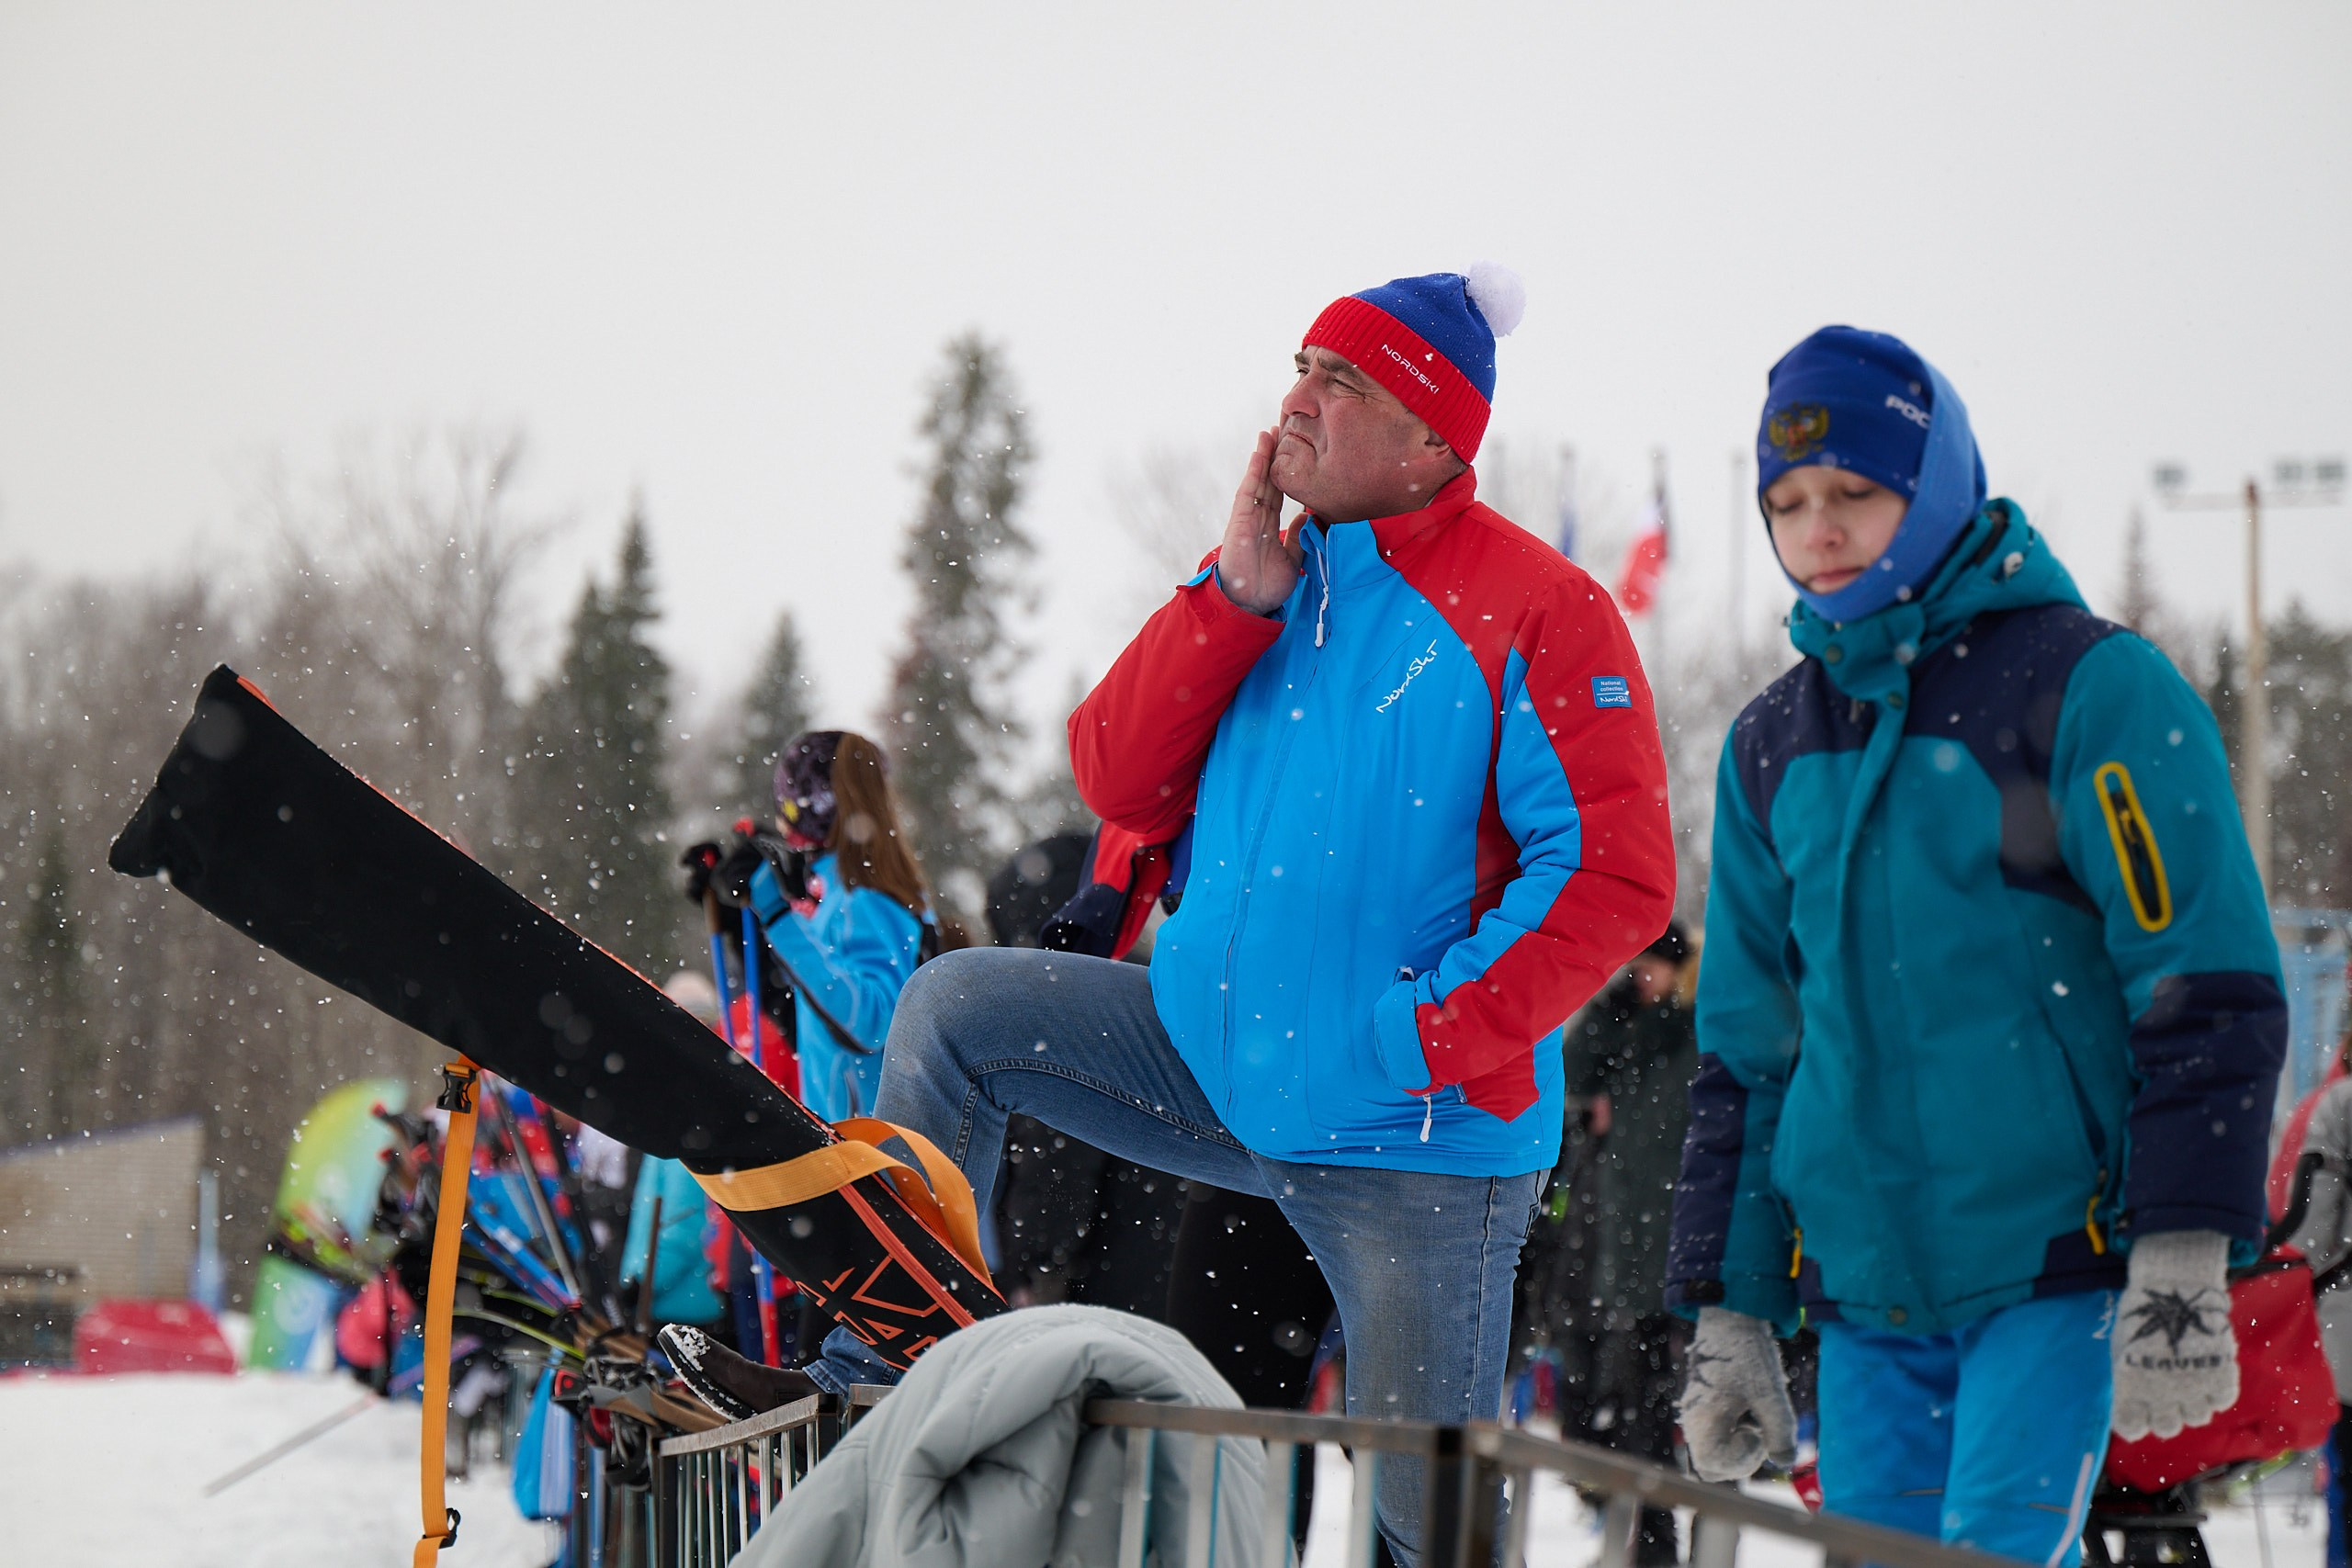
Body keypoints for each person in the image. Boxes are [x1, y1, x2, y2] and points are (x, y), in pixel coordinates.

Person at [801, 267, 1677, 1562]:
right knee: (957, 1011)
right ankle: (891, 1369)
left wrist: (1423, 1037)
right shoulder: (1266, 578)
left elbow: (1616, 870)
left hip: (1411, 1135)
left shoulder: (1543, 606)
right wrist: (1231, 601)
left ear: (1434, 437)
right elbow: (1110, 770)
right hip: (1212, 1063)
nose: (1297, 403)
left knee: (1424, 1525)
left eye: (1345, 383)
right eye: (1304, 368)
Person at [1668, 325, 2287, 1566]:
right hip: (1863, 1274)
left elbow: (2203, 975)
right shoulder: (1769, 747)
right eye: (1786, 502)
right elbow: (1748, 1048)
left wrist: (2181, 1237)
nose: (1819, 526)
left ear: (1937, 485)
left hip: (2053, 1251)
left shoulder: (2087, 688)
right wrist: (1730, 1303)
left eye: (1855, 490)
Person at [703, 729, 935, 1123]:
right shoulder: (835, 892)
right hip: (847, 1145)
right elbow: (799, 1010)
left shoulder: (867, 897)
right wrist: (735, 909)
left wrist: (777, 914)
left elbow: (871, 1022)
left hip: (876, 1153)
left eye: (790, 810)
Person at [1559, 920, 1697, 1564]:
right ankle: (1648, 1543)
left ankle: (1665, 1543)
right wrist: (1609, 1008)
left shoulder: (1690, 1032)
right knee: (1630, 1410)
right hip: (1625, 1252)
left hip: (1682, 1249)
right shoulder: (1626, 1034)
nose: (1645, 978)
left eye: (1653, 966)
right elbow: (1576, 1071)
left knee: (1668, 1412)